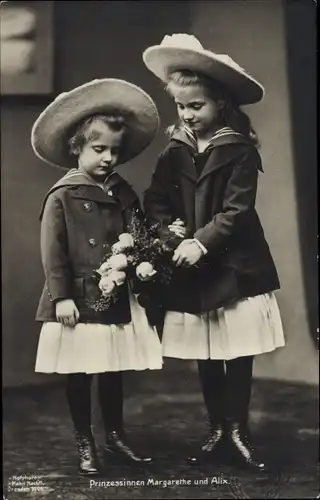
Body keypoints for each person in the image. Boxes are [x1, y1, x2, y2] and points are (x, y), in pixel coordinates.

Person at [142, 34, 285, 470]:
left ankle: (237, 428)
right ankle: (216, 429)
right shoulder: (175, 148)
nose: (188, 115)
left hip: (233, 264)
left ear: (219, 103)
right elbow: (156, 201)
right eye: (182, 107)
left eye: (196, 106)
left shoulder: (238, 149)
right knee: (205, 350)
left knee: (237, 350)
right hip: (191, 265)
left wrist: (200, 241)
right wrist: (172, 236)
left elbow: (237, 210)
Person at [32, 79, 162, 476]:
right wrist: (62, 297)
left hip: (115, 293)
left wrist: (145, 260)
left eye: (114, 151)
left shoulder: (124, 192)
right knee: (80, 371)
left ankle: (116, 437)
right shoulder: (63, 195)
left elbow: (138, 238)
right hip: (78, 295)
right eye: (99, 149)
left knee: (111, 369)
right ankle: (85, 441)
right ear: (78, 148)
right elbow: (53, 253)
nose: (108, 158)